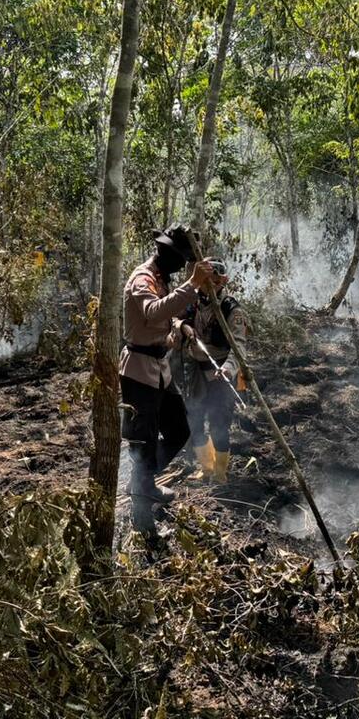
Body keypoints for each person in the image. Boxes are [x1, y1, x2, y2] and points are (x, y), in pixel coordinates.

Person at [120, 223, 220, 537]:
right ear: (166, 253)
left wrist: (180, 325)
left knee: (180, 429)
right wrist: (192, 285)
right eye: (181, 260)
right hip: (138, 373)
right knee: (144, 443)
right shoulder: (143, 278)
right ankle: (142, 518)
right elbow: (151, 311)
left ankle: (144, 481)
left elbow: (167, 314)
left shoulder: (162, 279)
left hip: (160, 371)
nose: (183, 266)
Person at [183, 260, 249, 484]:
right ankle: (207, 468)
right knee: (195, 420)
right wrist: (183, 327)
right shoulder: (192, 301)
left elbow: (239, 345)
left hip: (221, 373)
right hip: (195, 372)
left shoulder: (232, 309)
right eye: (206, 279)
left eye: (216, 280)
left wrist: (228, 369)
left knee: (219, 424)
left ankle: (220, 474)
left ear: (224, 281)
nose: (211, 284)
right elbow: (175, 318)